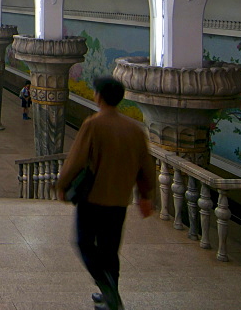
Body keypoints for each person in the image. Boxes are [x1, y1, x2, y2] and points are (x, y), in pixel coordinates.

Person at [56, 77, 154, 310]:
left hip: (93, 197)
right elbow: (146, 166)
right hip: (119, 199)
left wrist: (62, 185)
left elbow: (76, 160)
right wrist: (146, 195)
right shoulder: (134, 129)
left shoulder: (94, 124)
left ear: (98, 96)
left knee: (85, 243)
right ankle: (110, 295)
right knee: (110, 249)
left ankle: (108, 289)